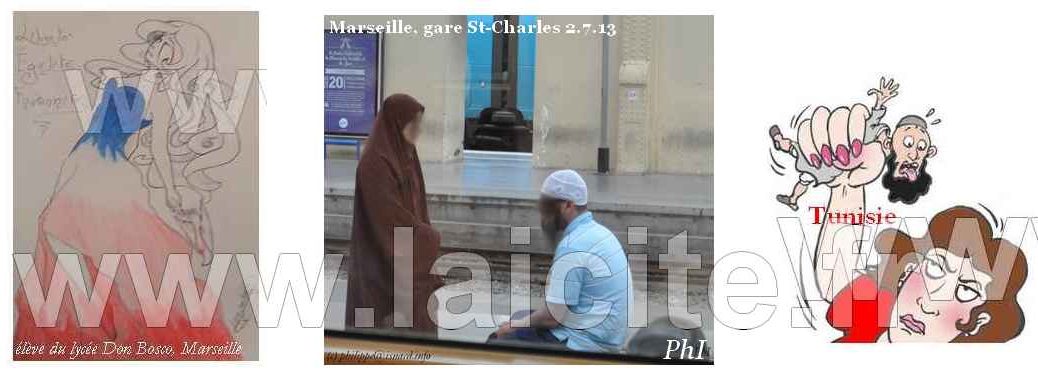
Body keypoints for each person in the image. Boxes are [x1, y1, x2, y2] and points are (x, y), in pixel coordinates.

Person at [14, 80, 236, 360]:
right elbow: (63, 228)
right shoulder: (108, 168)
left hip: (88, 274)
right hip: (87, 279)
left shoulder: (89, 156)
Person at [489, 170, 633, 353]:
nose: (543, 218)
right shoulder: (599, 232)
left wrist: (513, 327)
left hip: (585, 343)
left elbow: (552, 318)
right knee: (520, 317)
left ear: (568, 205)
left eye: (547, 209)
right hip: (608, 337)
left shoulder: (572, 246)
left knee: (497, 341)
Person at [344, 94, 442, 335]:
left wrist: (422, 234)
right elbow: (386, 216)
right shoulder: (374, 163)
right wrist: (427, 237)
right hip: (381, 262)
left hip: (404, 259)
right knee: (383, 333)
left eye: (420, 122)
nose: (418, 129)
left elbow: (418, 206)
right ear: (397, 124)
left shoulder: (406, 154)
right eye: (413, 123)